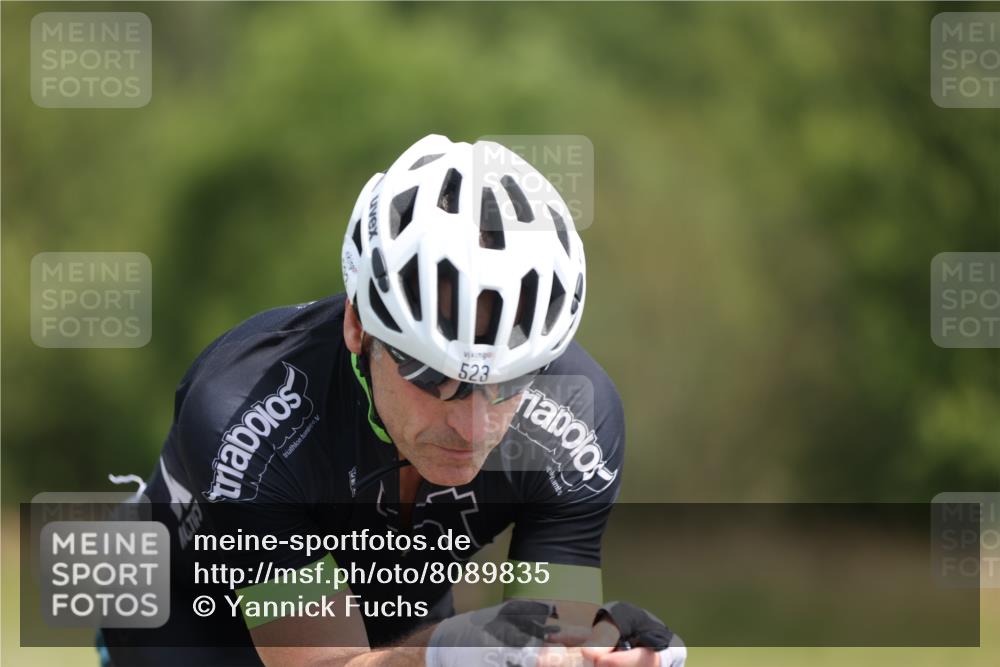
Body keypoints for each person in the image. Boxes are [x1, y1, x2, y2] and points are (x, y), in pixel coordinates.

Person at [98, 134, 685, 666]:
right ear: (359, 327)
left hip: (396, 606)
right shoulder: (244, 423)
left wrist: (596, 652)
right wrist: (451, 650)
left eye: (509, 383)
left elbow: (544, 637)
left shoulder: (577, 427)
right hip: (189, 616)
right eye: (434, 379)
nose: (473, 425)